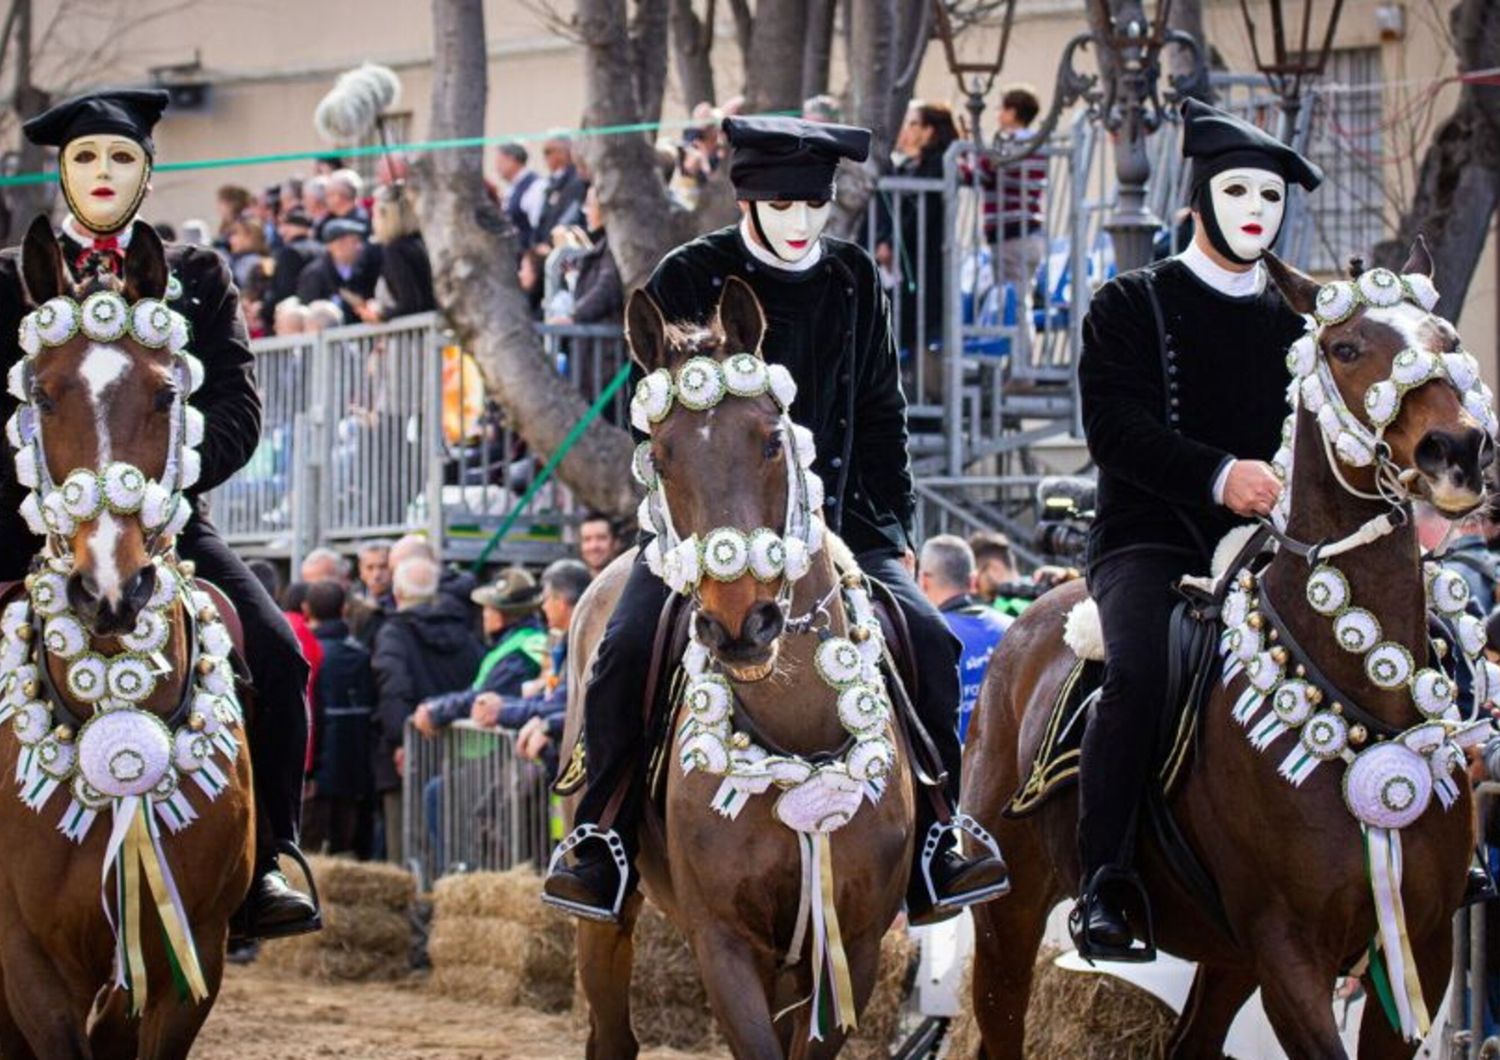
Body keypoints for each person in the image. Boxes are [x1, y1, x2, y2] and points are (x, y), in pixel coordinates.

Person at [543, 115, 1009, 925]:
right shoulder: (691, 271)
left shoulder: (856, 276)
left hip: (842, 523)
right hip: (706, 531)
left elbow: (880, 408)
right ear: (746, 199)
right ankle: (603, 837)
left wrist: (888, 528)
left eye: (815, 206)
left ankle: (940, 833)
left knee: (929, 640)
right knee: (621, 649)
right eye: (783, 205)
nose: (801, 224)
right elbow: (651, 412)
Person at [0, 88, 320, 939]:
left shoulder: (200, 276)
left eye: (122, 158)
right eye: (86, 159)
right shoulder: (7, 279)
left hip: (167, 525)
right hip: (24, 527)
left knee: (281, 656)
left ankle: (268, 862)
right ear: (61, 172)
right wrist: (44, 494)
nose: (104, 174)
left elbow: (241, 413)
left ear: (148, 172)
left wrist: (161, 486)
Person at [1072, 99, 1323, 959]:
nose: (1259, 210)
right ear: (1199, 198)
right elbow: (1114, 431)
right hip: (1151, 542)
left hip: (1275, 548)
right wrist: (1223, 475)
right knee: (1139, 673)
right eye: (1240, 191)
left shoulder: (1303, 326)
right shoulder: (1127, 303)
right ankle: (1104, 882)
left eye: (1274, 197)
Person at [370, 556, 486, 864]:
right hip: (461, 752)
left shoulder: (393, 633)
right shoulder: (466, 631)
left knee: (410, 845)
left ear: (397, 592)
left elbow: (393, 689)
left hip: (412, 753)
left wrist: (399, 740)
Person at [472, 560, 592, 781]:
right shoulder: (567, 640)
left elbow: (561, 704)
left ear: (561, 601)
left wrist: (503, 711)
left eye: (546, 599)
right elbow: (553, 698)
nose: (543, 607)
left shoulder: (586, 641)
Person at [412, 567, 549, 734]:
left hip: (501, 754)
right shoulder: (520, 641)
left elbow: (486, 698)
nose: (484, 615)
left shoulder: (521, 650)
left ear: (501, 616)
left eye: (488, 609)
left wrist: (437, 710)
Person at [877, 102, 957, 354]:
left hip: (924, 259)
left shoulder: (938, 164)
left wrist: (892, 243)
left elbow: (918, 214)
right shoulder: (906, 165)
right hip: (905, 259)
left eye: (913, 124)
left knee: (913, 325)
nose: (906, 130)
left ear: (929, 131)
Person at [304, 580, 376, 857]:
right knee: (345, 841)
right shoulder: (361, 655)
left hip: (318, 765)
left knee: (313, 844)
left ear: (307, 609)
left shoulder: (308, 654)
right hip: (355, 763)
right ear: (345, 609)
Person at [919, 535, 1010, 742]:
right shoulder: (1014, 627)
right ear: (973, 580)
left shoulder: (927, 638)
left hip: (955, 767)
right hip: (1014, 765)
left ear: (924, 581)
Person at [356, 184, 435, 323]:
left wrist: (380, 315)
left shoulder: (396, 250)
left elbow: (410, 303)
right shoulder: (419, 243)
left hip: (417, 334)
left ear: (384, 216)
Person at [297, 217, 380, 324]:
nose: (359, 247)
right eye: (354, 242)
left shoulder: (364, 269)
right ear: (337, 245)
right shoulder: (315, 275)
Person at [264, 208, 322, 333]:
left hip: (293, 320)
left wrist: (264, 310)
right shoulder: (322, 249)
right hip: (319, 316)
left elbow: (284, 290)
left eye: (283, 226)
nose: (281, 231)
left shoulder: (288, 252)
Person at [534, 134, 589, 257]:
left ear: (564, 152)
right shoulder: (552, 182)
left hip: (563, 249)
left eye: (548, 152)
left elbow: (569, 218)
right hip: (546, 248)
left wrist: (550, 244)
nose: (545, 157)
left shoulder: (577, 181)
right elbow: (543, 217)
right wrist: (537, 243)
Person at [969, 530, 1031, 619]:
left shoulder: (1005, 609)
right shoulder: (1044, 591)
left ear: (995, 568)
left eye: (976, 581)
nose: (974, 590)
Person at [497, 142, 545, 252]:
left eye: (500, 162)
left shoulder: (535, 186)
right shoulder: (512, 187)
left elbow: (537, 224)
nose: (497, 167)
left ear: (512, 160)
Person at [577, 512, 621, 576]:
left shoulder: (631, 582)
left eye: (601, 538)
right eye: (587, 539)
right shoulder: (571, 583)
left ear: (616, 543)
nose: (593, 546)